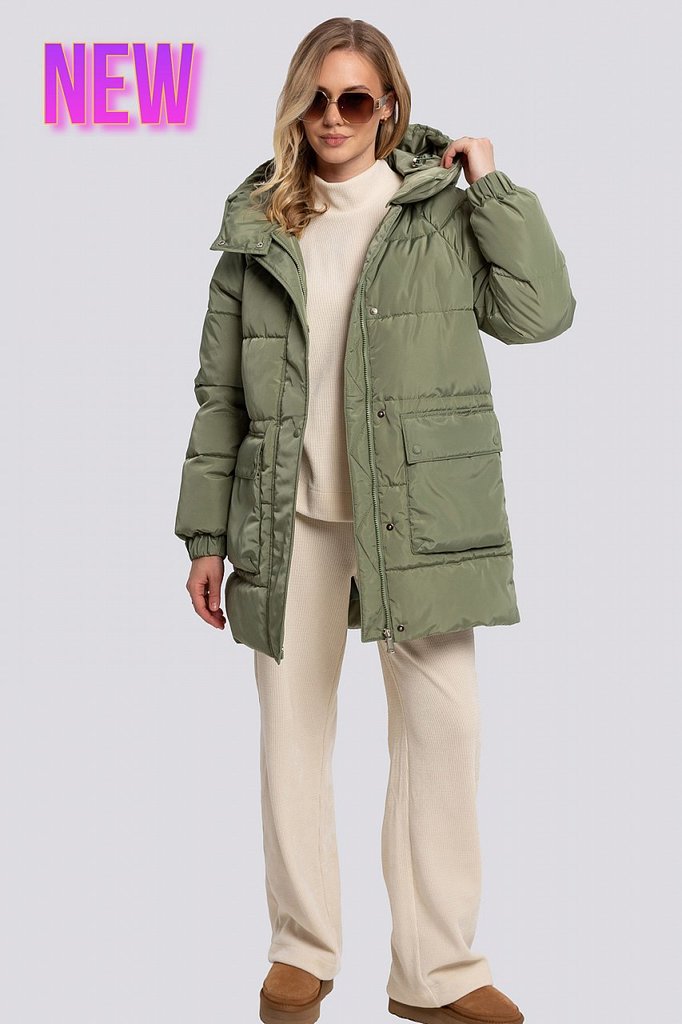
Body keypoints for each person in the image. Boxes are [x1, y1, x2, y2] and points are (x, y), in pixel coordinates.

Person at [174, 17, 576, 1024]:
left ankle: (439, 971)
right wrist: (206, 536)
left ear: (388, 105)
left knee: (446, 735)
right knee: (292, 735)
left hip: (420, 510)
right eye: (317, 98)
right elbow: (219, 398)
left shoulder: (438, 212)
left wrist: (492, 188)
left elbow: (540, 313)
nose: (334, 117)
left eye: (354, 98)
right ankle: (300, 950)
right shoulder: (257, 227)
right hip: (291, 513)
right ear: (296, 106)